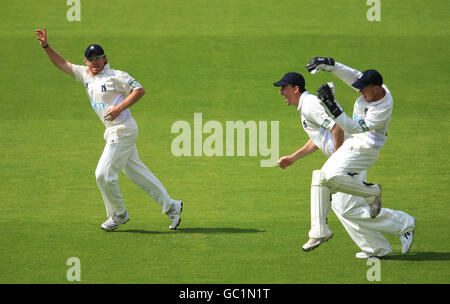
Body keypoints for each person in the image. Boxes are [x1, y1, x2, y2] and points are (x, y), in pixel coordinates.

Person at [34, 28, 183, 231]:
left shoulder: (116, 76)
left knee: (102, 174)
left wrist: (118, 108)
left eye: (99, 58)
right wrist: (45, 46)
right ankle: (172, 207)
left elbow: (140, 90)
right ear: (86, 61)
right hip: (114, 131)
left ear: (105, 59)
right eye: (91, 58)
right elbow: (62, 63)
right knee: (137, 174)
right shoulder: (86, 75)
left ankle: (118, 214)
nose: (95, 62)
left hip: (122, 130)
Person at [275, 71, 415, 258]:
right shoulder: (305, 107)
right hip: (346, 159)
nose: (280, 92)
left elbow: (337, 127)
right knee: (346, 209)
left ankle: (322, 231)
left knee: (324, 182)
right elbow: (318, 139)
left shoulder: (310, 105)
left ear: (295, 89)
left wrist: (337, 157)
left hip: (350, 158)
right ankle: (379, 246)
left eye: (283, 88)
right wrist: (293, 158)